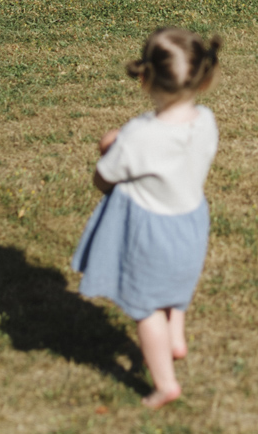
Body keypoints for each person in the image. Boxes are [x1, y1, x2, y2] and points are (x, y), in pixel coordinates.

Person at [72, 27, 221, 410]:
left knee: (145, 308)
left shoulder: (139, 135)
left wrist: (110, 146)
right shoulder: (206, 121)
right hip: (191, 222)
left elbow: (104, 178)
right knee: (175, 281)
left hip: (151, 231)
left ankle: (164, 383)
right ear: (202, 80)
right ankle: (176, 337)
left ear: (145, 78)